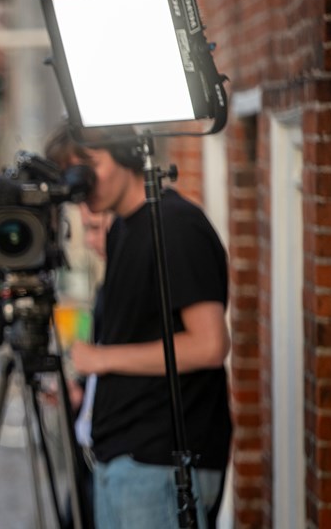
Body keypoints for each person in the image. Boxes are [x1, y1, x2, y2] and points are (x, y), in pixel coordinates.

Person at [59, 127, 232, 529]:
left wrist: (100, 358)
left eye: (91, 166)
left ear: (125, 154)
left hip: (160, 461)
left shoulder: (173, 225)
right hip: (123, 456)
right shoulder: (122, 228)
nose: (82, 183)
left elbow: (209, 344)